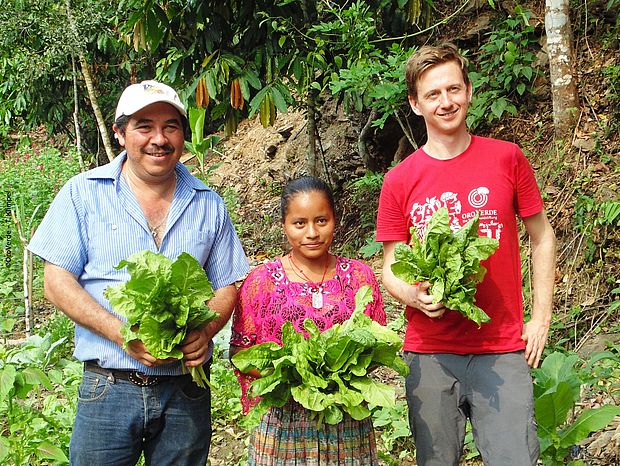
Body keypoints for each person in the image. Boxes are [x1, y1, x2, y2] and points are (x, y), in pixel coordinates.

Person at [28, 80, 249, 466]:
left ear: (183, 133)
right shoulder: (83, 194)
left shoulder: (208, 204)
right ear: (120, 133)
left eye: (170, 126)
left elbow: (228, 283)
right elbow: (56, 281)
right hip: (108, 387)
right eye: (144, 126)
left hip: (185, 391)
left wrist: (205, 331)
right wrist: (122, 334)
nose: (158, 139)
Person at [376, 43, 557, 466]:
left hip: (502, 347)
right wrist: (414, 296)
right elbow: (391, 268)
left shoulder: (506, 158)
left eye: (453, 89)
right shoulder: (400, 180)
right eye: (433, 94)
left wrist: (540, 317)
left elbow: (542, 237)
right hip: (429, 351)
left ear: (469, 92)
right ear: (415, 104)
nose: (446, 102)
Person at [229, 176, 385, 465]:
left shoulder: (359, 278)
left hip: (345, 417)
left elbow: (376, 346)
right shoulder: (261, 282)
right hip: (282, 422)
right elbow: (240, 353)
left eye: (321, 220)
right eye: (300, 223)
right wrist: (294, 377)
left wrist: (335, 374)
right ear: (284, 226)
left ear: (335, 220)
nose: (312, 232)